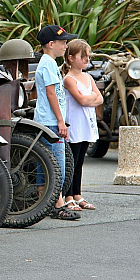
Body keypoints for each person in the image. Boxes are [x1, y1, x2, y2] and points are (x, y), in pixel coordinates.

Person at [35, 25, 80, 220]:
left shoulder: (50, 62)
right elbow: (51, 92)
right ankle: (56, 204)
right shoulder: (47, 64)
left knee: (46, 164)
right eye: (63, 43)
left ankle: (46, 202)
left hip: (50, 120)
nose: (66, 46)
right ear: (51, 44)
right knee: (56, 166)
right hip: (50, 122)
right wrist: (61, 121)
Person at [62, 39, 102, 211]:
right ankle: (68, 195)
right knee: (72, 160)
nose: (87, 60)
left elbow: (99, 98)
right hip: (74, 125)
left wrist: (89, 99)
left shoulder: (88, 77)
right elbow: (81, 99)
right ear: (71, 58)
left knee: (80, 161)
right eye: (83, 56)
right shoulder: (69, 79)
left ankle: (77, 194)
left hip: (86, 124)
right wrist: (90, 99)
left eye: (88, 56)